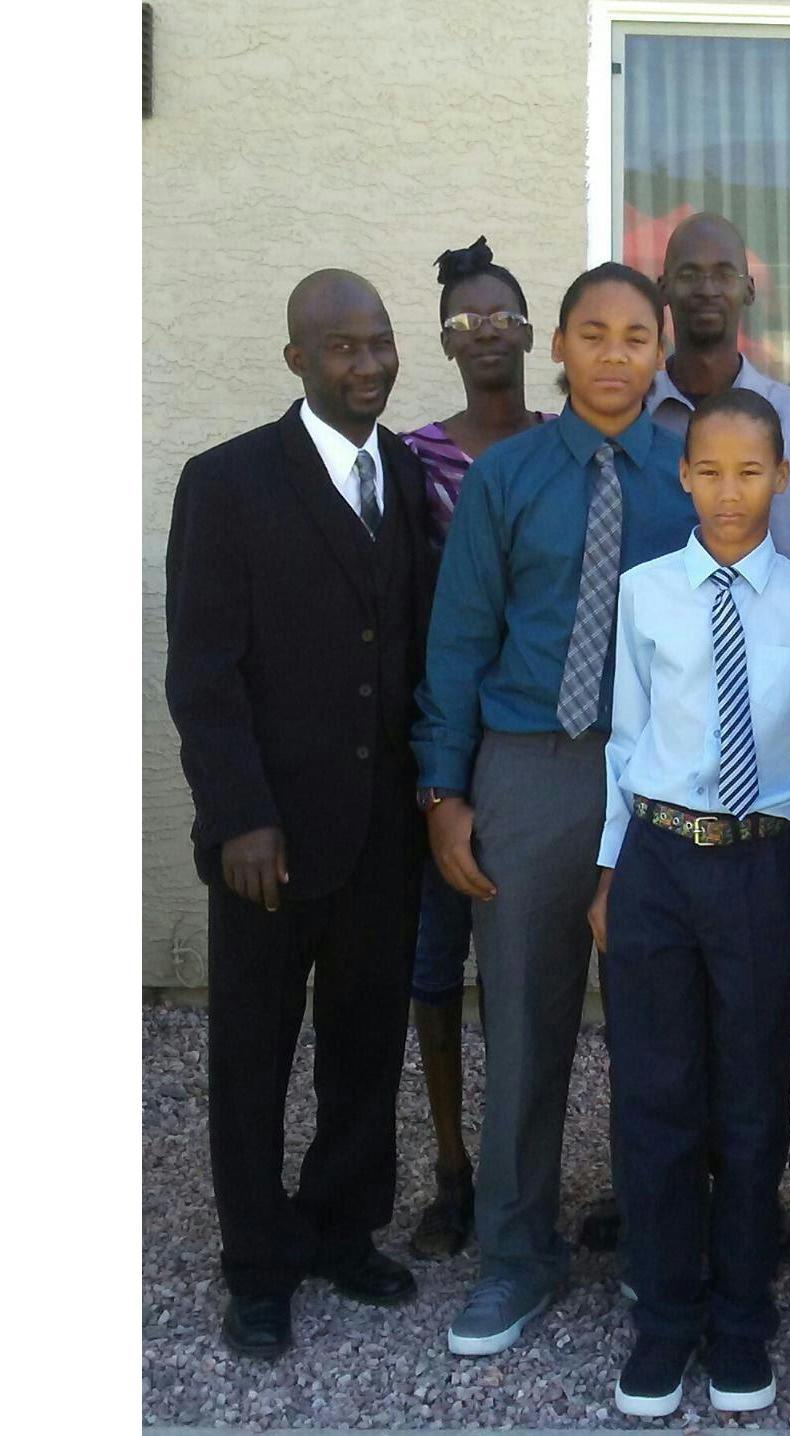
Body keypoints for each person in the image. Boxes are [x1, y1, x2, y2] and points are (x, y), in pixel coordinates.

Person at [412, 261, 697, 1358]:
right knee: (524, 1021)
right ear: (560, 350)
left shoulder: (690, 475)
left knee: (656, 1026)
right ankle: (515, 1255)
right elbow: (457, 637)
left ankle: (657, 1250)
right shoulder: (507, 477)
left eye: (635, 334)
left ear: (658, 344)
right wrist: (445, 791)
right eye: (593, 333)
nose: (615, 354)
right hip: (529, 765)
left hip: (659, 771)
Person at [165, 270, 435, 1358]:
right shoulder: (226, 482)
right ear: (296, 361)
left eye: (378, 344)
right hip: (267, 839)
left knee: (365, 1044)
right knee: (252, 1053)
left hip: (381, 830)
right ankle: (257, 1261)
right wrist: (238, 814)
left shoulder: (406, 473)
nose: (366, 365)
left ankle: (338, 1227)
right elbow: (203, 669)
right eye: (340, 349)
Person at [587, 389, 790, 1417]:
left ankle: (741, 1317)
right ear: (684, 476)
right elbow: (624, 739)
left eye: (752, 471)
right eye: (710, 469)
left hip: (758, 865)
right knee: (653, 1097)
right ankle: (663, 1317)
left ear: (780, 477)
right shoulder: (646, 592)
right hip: (658, 859)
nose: (730, 490)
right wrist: (612, 873)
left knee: (748, 1103)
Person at [400, 236, 555, 1261]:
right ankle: (451, 1165)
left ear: (531, 331)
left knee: (514, 978)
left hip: (532, 746)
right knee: (432, 969)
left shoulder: (562, 446)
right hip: (439, 734)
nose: (486, 330)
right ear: (445, 338)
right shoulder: (414, 459)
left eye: (502, 314)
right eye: (467, 319)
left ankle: (511, 1168)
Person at [646, 211, 790, 576]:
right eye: (689, 275)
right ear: (663, 289)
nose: (707, 289)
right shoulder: (633, 417)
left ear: (749, 289)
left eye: (723, 274)